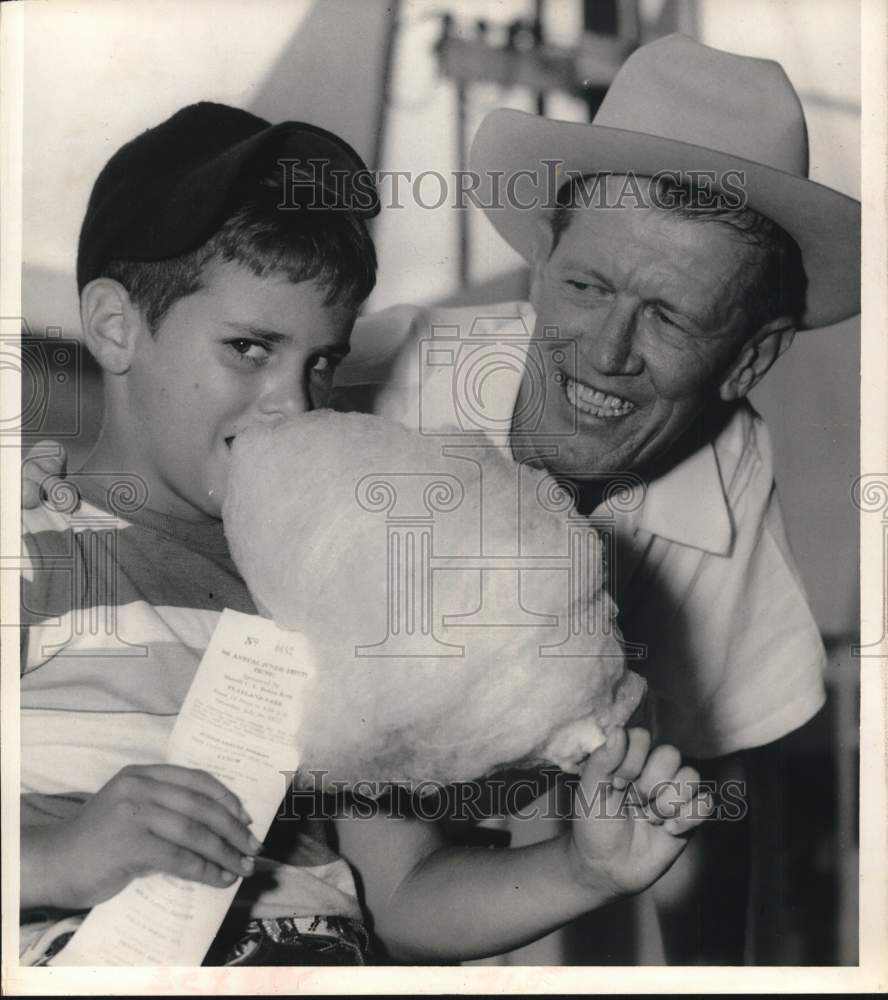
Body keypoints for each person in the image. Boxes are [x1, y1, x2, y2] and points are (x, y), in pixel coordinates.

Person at [18, 101, 711, 967]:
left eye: (321, 361)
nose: (293, 402)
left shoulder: (326, 586)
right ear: (117, 326)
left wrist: (585, 869)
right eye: (248, 347)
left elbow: (404, 890)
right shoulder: (31, 543)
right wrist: (51, 855)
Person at [334, 34, 861, 962]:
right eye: (586, 286)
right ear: (542, 264)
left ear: (751, 357)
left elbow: (703, 802)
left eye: (668, 315)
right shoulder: (378, 382)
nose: (607, 352)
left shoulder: (727, 466)